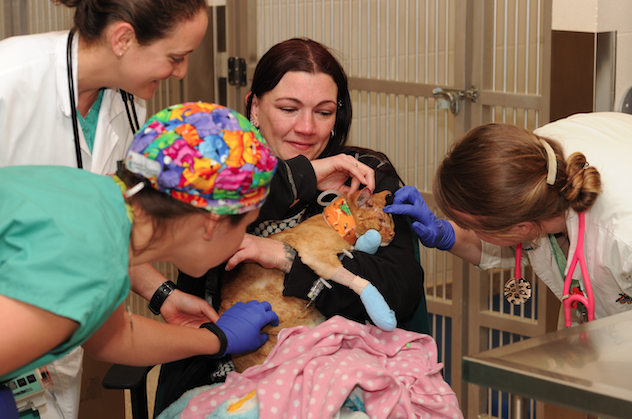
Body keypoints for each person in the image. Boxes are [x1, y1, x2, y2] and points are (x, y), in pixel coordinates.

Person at [154, 37, 428, 415]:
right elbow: (185, 230)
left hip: (340, 374)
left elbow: (400, 289)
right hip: (227, 377)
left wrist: (286, 258)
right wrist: (302, 176)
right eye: (288, 108)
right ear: (254, 106)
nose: (307, 128)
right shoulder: (222, 171)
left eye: (324, 112)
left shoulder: (362, 174)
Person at [0, 0, 215, 417]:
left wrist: (161, 293)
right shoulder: (10, 79)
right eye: (175, 56)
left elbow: (106, 227)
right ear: (123, 39)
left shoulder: (126, 99)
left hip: (55, 348)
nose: (181, 71)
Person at [0, 102, 280, 418]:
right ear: (210, 224)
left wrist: (215, 339)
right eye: (243, 225)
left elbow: (114, 337)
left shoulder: (91, 195)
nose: (244, 238)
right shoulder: (88, 265)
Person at [384, 112, 632, 327]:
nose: (466, 230)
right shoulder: (533, 168)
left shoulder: (622, 237)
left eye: (471, 227)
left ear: (522, 228)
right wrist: (446, 235)